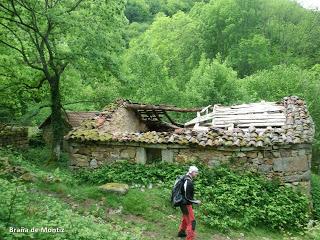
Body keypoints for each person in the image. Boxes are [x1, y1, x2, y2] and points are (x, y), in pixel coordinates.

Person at [177, 166, 201, 239]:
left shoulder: (185, 178)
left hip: (184, 203)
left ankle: (181, 232)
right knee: (192, 222)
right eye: (196, 172)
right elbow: (187, 197)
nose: (197, 174)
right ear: (192, 172)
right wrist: (196, 201)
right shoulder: (188, 181)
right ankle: (190, 238)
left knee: (185, 218)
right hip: (186, 204)